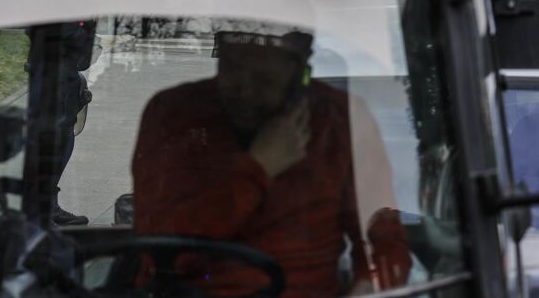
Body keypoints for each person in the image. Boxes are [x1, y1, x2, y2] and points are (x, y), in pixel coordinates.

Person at [132, 30, 410, 298]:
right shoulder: (174, 115)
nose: (244, 90)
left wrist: (366, 288)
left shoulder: (342, 120)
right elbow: (161, 254)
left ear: (299, 76)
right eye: (231, 68)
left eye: (263, 79)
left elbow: (384, 245)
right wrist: (258, 169)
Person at [26, 20, 96, 226]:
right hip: (56, 77)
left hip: (57, 75)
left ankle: (46, 205)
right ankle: (43, 207)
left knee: (60, 137)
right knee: (58, 139)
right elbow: (80, 52)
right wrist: (87, 27)